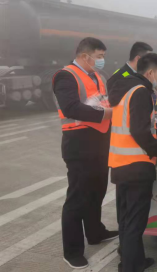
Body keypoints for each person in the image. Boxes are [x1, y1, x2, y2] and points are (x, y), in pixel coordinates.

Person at [52, 37, 118, 269]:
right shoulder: (65, 76)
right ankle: (72, 251)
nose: (102, 61)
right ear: (84, 56)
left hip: (100, 141)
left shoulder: (98, 76)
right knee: (77, 197)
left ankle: (95, 232)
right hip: (79, 143)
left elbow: (105, 100)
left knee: (97, 190)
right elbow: (70, 107)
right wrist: (105, 114)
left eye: (103, 57)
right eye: (99, 56)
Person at [108, 53, 157, 272]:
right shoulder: (141, 91)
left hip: (120, 163)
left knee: (126, 219)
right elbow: (139, 130)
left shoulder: (124, 89)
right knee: (135, 222)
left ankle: (133, 261)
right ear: (151, 72)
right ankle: (130, 267)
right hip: (137, 165)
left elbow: (133, 123)